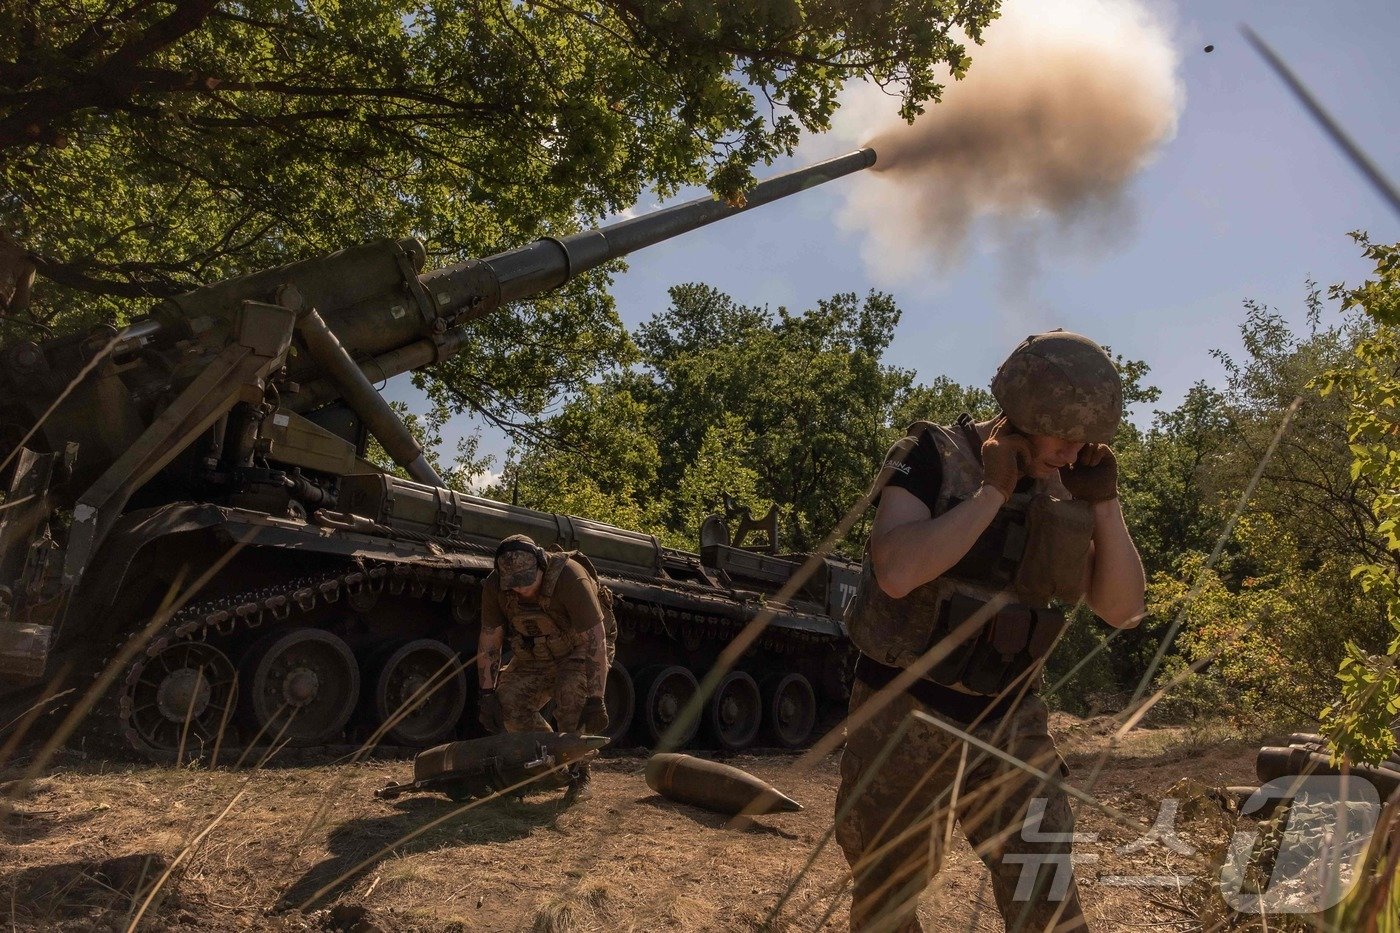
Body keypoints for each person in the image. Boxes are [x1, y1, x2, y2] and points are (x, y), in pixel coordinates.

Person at [837, 330, 1147, 932]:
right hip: (906, 714)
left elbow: (1123, 610)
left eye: (1088, 439)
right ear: (1025, 411)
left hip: (1010, 724)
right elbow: (897, 572)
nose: (1074, 449)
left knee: (1050, 905)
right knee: (887, 902)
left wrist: (1105, 507)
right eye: (1064, 434)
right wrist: (991, 494)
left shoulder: (1071, 488)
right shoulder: (933, 454)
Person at [476, 534, 613, 799]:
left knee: (572, 695)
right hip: (534, 654)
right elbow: (489, 642)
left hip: (579, 650)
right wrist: (486, 695)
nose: (522, 590)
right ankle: (550, 765)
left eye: (527, 581)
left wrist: (596, 699)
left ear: (541, 565)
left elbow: (596, 639)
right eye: (514, 584)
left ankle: (579, 773)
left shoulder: (570, 577)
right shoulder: (495, 587)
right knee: (508, 703)